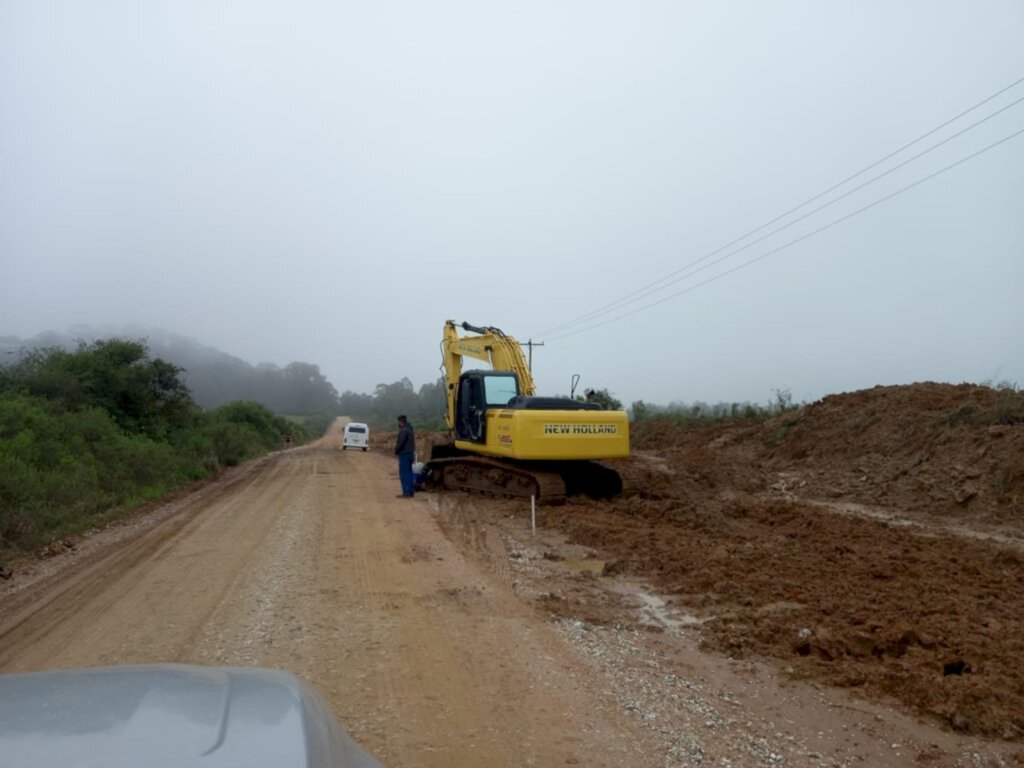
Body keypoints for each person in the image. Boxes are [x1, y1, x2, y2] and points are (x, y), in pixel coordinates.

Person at [394, 415, 416, 498]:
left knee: (404, 474)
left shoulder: (404, 431)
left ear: (401, 422)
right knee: (410, 473)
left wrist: (396, 451)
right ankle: (411, 492)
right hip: (411, 454)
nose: (398, 424)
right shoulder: (410, 430)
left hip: (404, 454)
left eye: (398, 422)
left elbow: (400, 443)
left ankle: (406, 493)